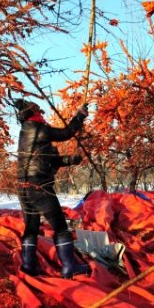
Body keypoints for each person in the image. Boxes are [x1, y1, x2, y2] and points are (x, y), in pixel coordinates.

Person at [13, 98, 91, 279]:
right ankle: (69, 267)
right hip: (39, 186)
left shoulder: (26, 133)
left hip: (24, 187)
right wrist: (80, 116)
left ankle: (29, 266)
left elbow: (48, 159)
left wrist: (71, 160)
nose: (41, 113)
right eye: (38, 111)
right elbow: (66, 133)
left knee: (31, 228)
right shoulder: (38, 128)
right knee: (61, 228)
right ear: (33, 113)